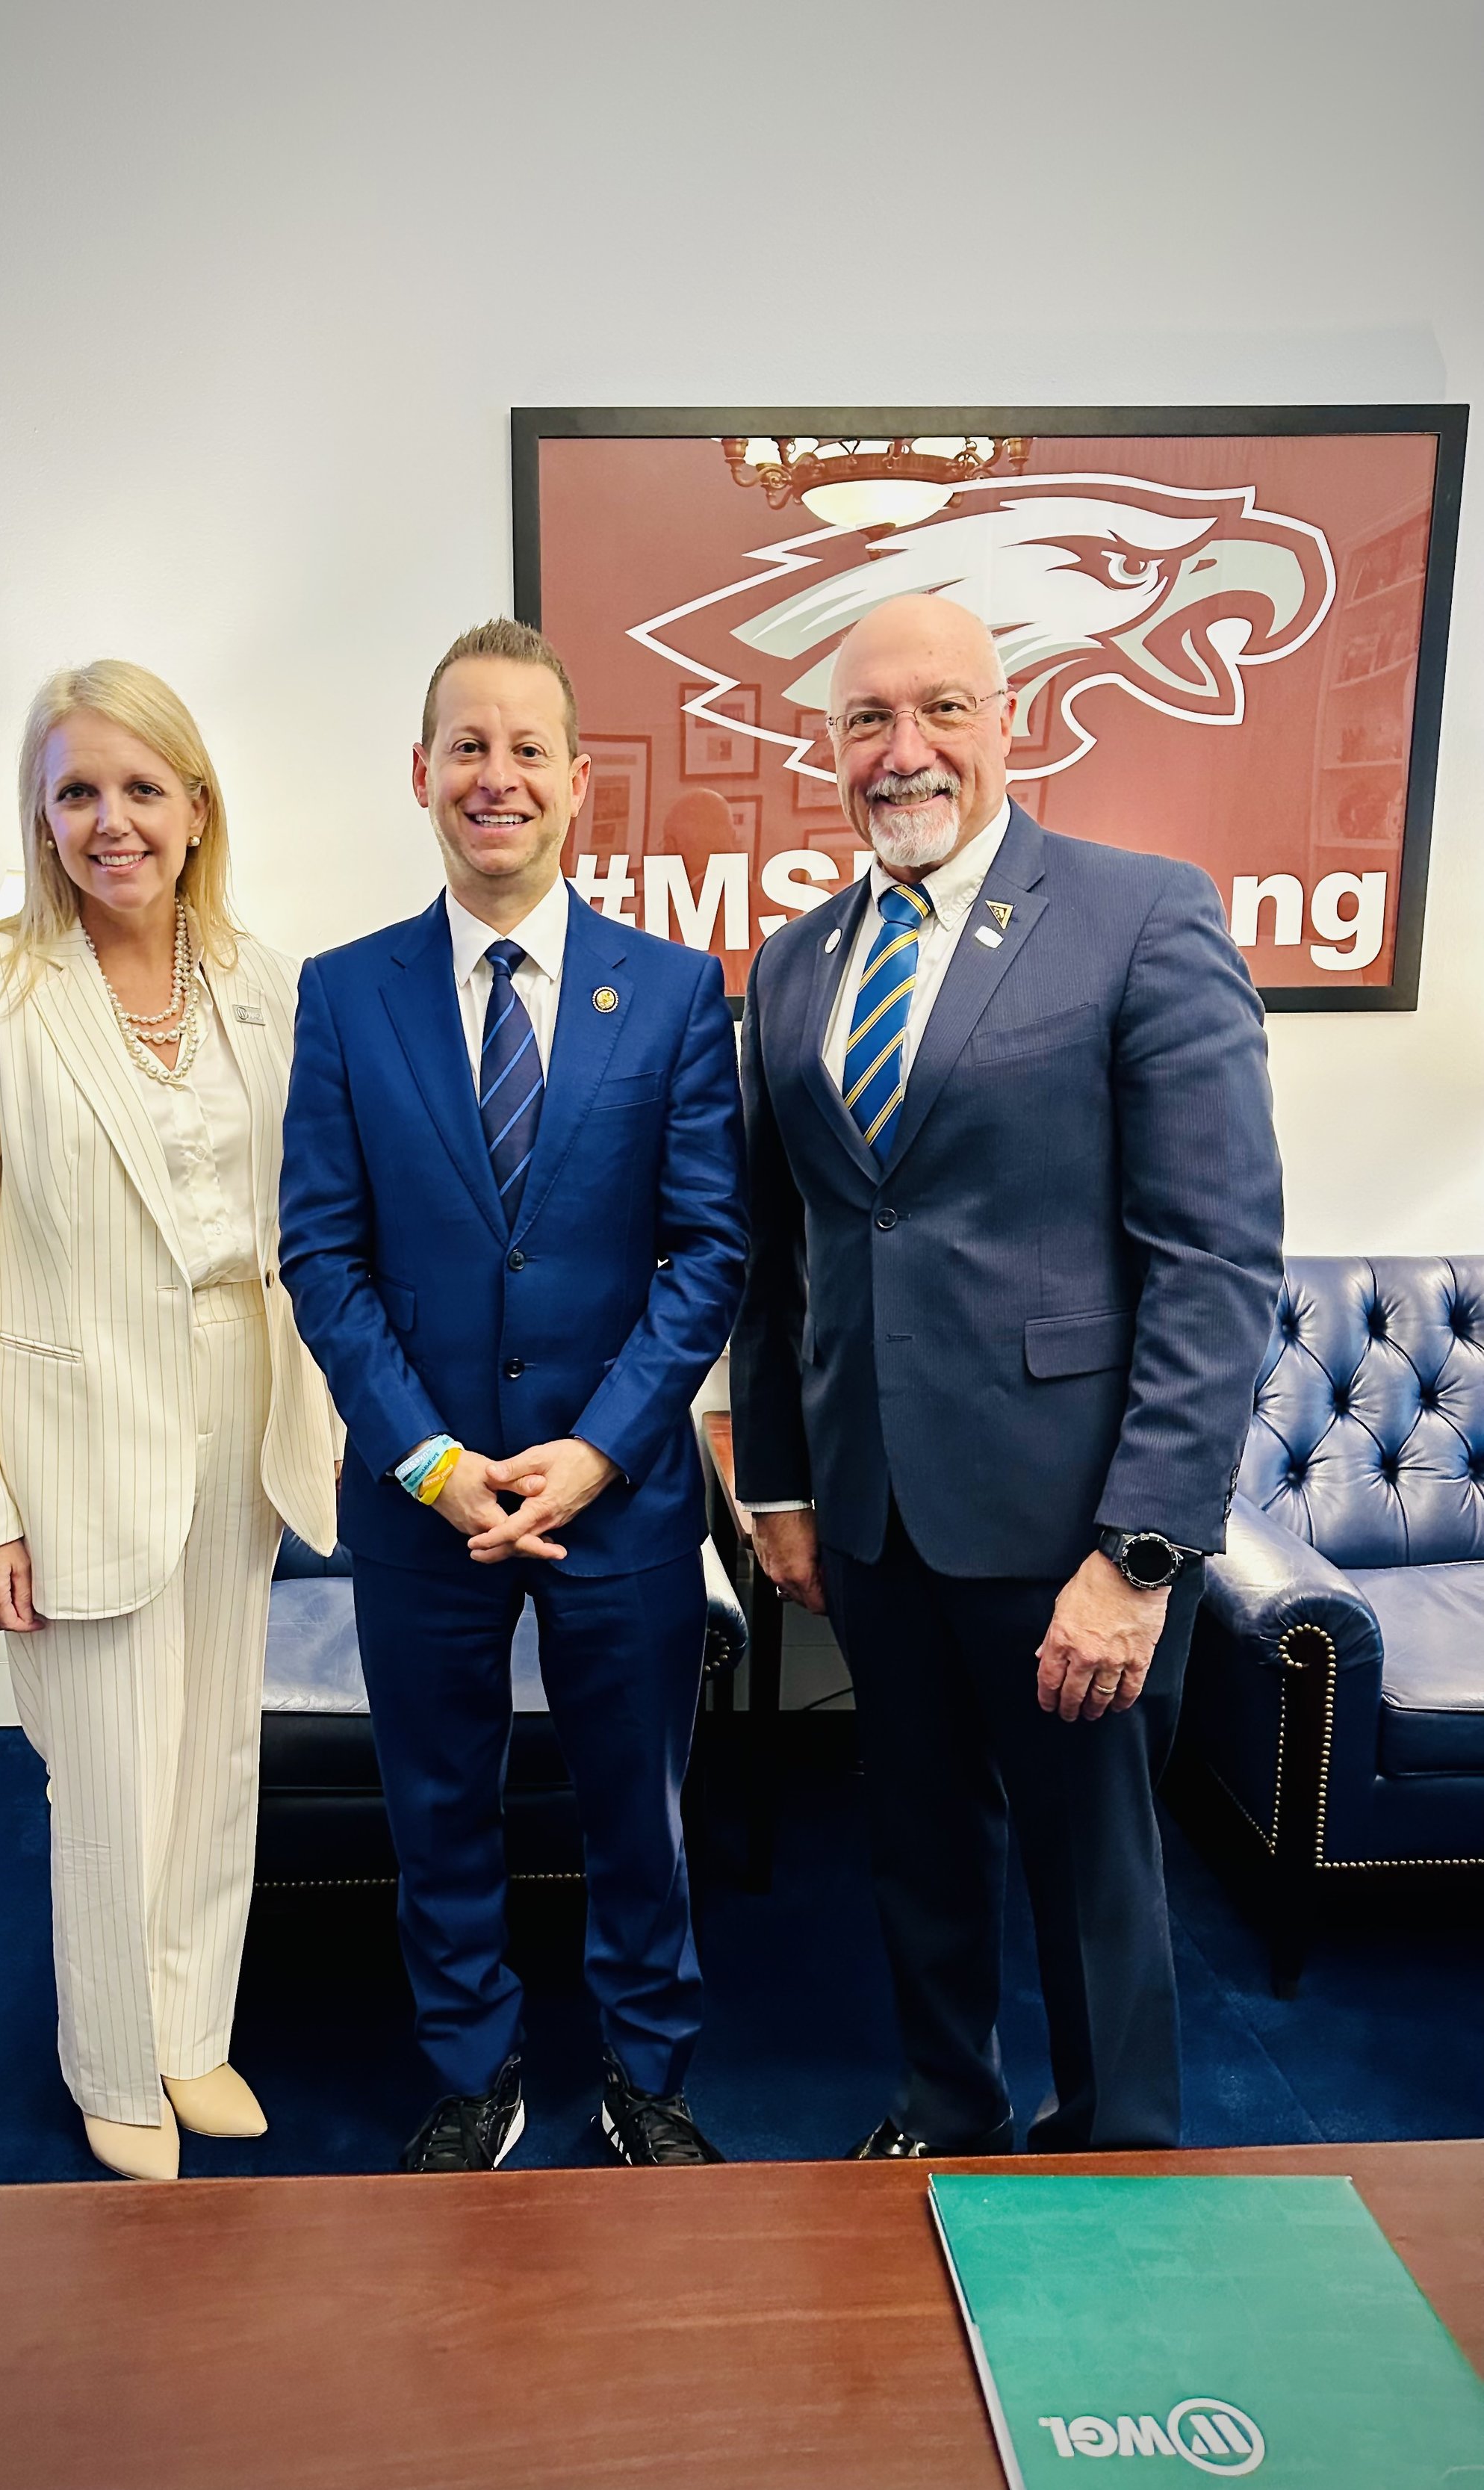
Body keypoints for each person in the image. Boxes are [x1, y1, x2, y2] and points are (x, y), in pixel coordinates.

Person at [731, 593, 1283, 2155]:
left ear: (1008, 721)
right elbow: (786, 1253)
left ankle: (1118, 2146)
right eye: (863, 719)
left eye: (940, 710)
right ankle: (947, 2104)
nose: (901, 750)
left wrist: (1139, 1551)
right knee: (911, 1840)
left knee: (1092, 1865)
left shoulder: (1138, 913)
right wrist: (777, 1477)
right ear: (825, 746)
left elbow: (1215, 1259)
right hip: (873, 1512)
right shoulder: (789, 966)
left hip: (1069, 1527)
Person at [279, 619, 747, 2170]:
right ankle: (473, 2067)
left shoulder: (674, 994)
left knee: (637, 1807)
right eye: (466, 747)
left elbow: (704, 1250)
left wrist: (597, 1451)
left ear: (576, 782)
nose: (497, 776)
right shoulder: (344, 995)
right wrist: (425, 1457)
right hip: (421, 1505)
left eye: (525, 747)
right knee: (438, 1804)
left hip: (615, 1499)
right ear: (421, 776)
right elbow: (321, 1252)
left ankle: (646, 2070)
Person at [0, 660, 338, 2181]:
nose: (111, 820)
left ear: (199, 810)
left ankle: (190, 2029)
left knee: (218, 1748)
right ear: (40, 811)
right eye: (77, 789)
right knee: (104, 1767)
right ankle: (111, 2066)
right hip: (71, 1432)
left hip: (244, 1401)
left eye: (142, 788)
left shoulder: (269, 985)